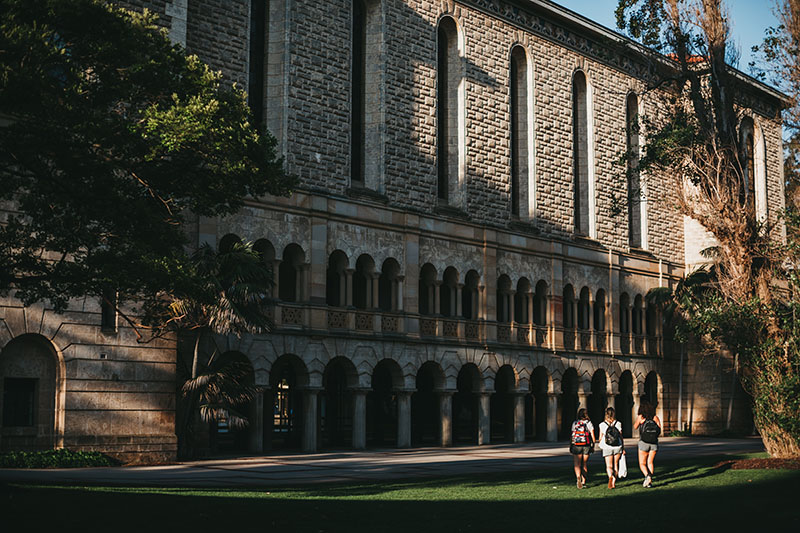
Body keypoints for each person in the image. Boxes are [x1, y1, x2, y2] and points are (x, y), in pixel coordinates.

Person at [633, 398, 662, 487]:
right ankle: (649, 481)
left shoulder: (641, 417)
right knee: (650, 462)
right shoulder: (655, 417)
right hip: (654, 443)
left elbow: (635, 427)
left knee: (642, 463)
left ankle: (647, 476)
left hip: (643, 442)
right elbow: (659, 429)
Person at [598, 406, 624, 489]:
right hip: (617, 446)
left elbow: (600, 437)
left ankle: (610, 476)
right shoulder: (618, 423)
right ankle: (614, 481)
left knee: (609, 466)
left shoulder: (602, 425)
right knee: (616, 464)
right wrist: (623, 447)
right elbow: (620, 436)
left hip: (607, 446)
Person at [570, 408, 595, 488]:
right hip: (586, 445)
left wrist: (571, 444)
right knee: (584, 464)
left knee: (577, 464)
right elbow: (592, 435)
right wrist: (593, 445)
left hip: (576, 445)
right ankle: (583, 482)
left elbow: (572, 435)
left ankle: (578, 478)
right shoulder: (589, 423)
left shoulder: (575, 423)